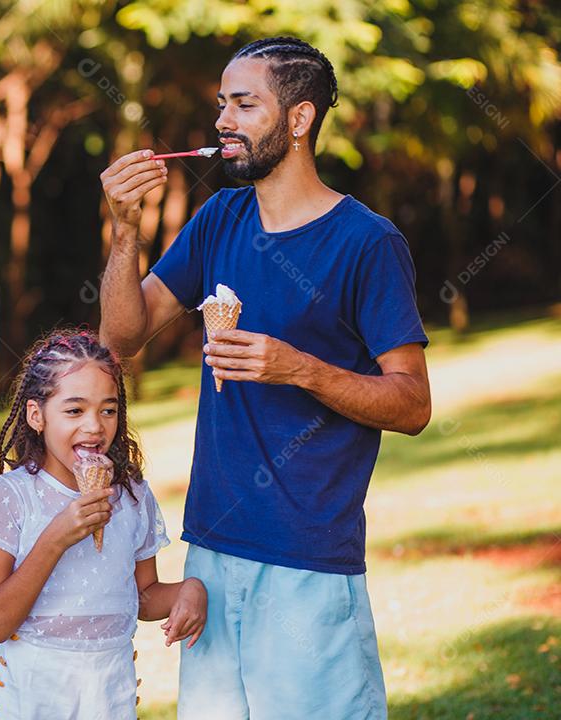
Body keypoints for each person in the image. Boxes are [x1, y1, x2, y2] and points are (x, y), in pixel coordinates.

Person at [99, 37, 432, 719]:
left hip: (308, 557)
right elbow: (120, 340)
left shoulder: (367, 243)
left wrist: (298, 368)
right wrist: (125, 232)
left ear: (300, 118)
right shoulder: (219, 219)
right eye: (222, 103)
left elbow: (412, 403)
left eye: (244, 104)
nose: (223, 120)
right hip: (211, 550)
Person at [0, 329, 207, 719]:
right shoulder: (10, 496)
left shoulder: (132, 496)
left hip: (108, 692)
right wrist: (55, 539)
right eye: (74, 411)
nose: (95, 426)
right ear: (36, 415)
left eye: (108, 410)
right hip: (32, 693)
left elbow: (142, 595)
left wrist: (189, 590)